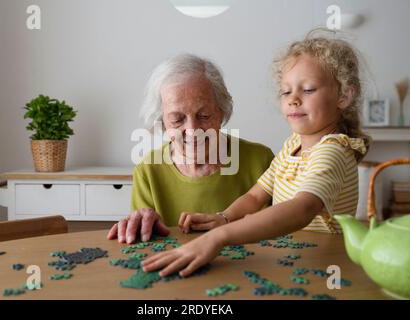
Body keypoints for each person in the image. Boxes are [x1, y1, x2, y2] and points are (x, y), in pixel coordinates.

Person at [142, 32, 370, 277]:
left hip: (323, 267)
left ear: (344, 96)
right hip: (292, 261)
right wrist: (224, 218)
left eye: (308, 89)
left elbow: (302, 209)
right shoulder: (292, 145)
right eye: (286, 92)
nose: (293, 99)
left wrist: (220, 237)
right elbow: (255, 195)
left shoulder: (334, 150)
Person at [107, 54, 274, 244]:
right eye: (177, 119)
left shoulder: (261, 160)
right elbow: (143, 246)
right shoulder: (148, 171)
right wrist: (139, 223)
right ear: (162, 122)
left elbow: (284, 234)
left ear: (222, 112)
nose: (193, 130)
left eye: (203, 116)